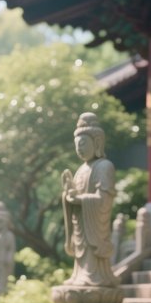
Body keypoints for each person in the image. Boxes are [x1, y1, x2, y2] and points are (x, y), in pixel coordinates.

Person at [61, 112, 117, 287]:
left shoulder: (104, 166)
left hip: (94, 228)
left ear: (97, 142)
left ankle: (95, 277)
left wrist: (81, 200)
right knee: (81, 252)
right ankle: (79, 274)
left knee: (92, 256)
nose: (79, 148)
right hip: (81, 225)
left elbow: (104, 200)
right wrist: (68, 196)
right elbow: (75, 197)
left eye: (83, 143)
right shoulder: (80, 170)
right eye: (77, 144)